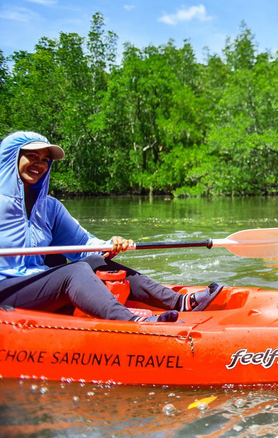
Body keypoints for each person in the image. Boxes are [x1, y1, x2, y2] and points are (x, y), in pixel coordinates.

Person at [0, 131, 223, 322]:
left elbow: (83, 244)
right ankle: (130, 321)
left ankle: (177, 301)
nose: (39, 164)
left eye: (45, 160)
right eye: (32, 156)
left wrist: (111, 244)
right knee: (74, 271)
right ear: (12, 158)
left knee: (95, 261)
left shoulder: (49, 207)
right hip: (6, 291)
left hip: (36, 282)